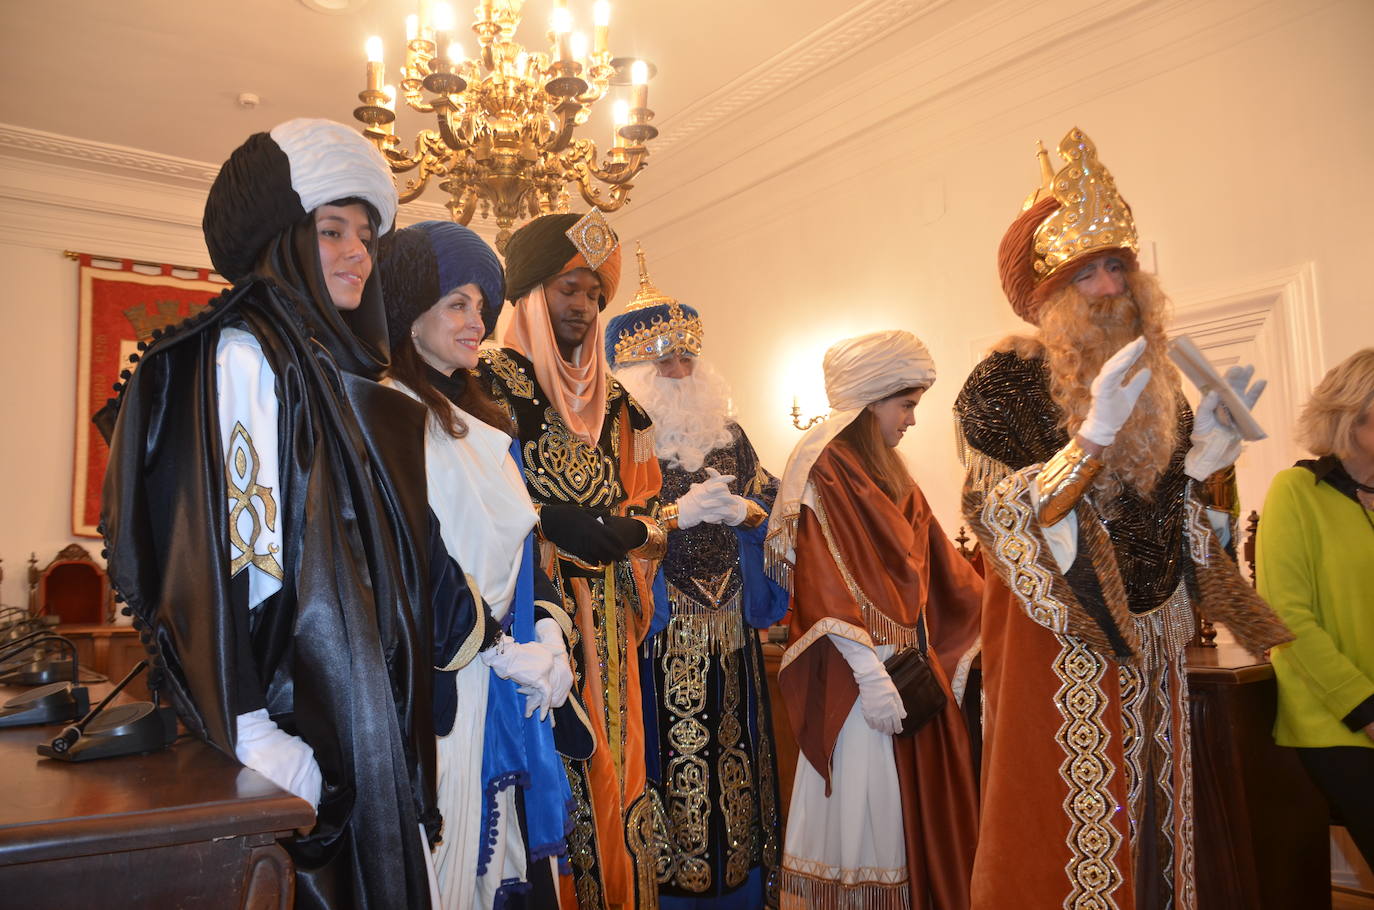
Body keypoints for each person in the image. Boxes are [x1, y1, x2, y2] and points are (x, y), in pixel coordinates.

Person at [98, 119, 442, 908]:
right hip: (295, 703)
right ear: (283, 240)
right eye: (332, 231)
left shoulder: (327, 366)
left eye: (366, 237)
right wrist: (250, 724)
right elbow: (223, 553)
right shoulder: (245, 353)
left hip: (351, 690)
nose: (358, 254)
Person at [955, 126, 1292, 910]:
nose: (1111, 288)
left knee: (1151, 828)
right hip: (1057, 642)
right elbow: (1000, 519)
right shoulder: (1002, 383)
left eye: (1118, 267)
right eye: (1088, 273)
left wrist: (1203, 466)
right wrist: (1089, 442)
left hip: (1152, 641)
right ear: (1048, 295)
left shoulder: (1160, 385)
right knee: (1063, 836)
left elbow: (1167, 519)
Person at [379, 220, 593, 907]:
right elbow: (411, 559)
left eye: (482, 305)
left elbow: (525, 551)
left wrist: (549, 634)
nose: (478, 323)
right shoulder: (388, 412)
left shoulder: (488, 423)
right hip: (449, 678)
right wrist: (502, 649)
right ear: (410, 312)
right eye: (457, 304)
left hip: (512, 671)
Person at [475, 209, 666, 910]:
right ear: (531, 295)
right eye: (568, 289)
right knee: (553, 767)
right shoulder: (488, 383)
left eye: (593, 293)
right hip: (532, 616)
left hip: (610, 616)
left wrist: (632, 533)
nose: (583, 305)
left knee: (620, 757)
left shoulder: (620, 405)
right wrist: (548, 522)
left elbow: (651, 509)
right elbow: (473, 499)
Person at [767, 330, 983, 910]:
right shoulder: (825, 467)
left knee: (902, 815)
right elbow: (822, 579)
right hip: (858, 677)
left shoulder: (894, 474)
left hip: (908, 671)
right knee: (869, 815)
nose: (912, 420)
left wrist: (1011, 595)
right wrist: (869, 674)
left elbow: (946, 568)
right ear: (870, 401)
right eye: (905, 405)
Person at [607, 245, 788, 909]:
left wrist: (748, 513)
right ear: (635, 373)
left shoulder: (730, 434)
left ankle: (744, 888)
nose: (679, 371)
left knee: (738, 759)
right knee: (670, 762)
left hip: (733, 631)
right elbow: (604, 525)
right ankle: (673, 894)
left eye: (686, 358)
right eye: (663, 362)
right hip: (660, 633)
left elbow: (774, 508)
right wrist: (670, 517)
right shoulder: (621, 440)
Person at [1256, 347, 1374, 868]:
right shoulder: (1297, 491)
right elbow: (1286, 617)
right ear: (1351, 413)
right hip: (1337, 721)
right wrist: (1366, 711)